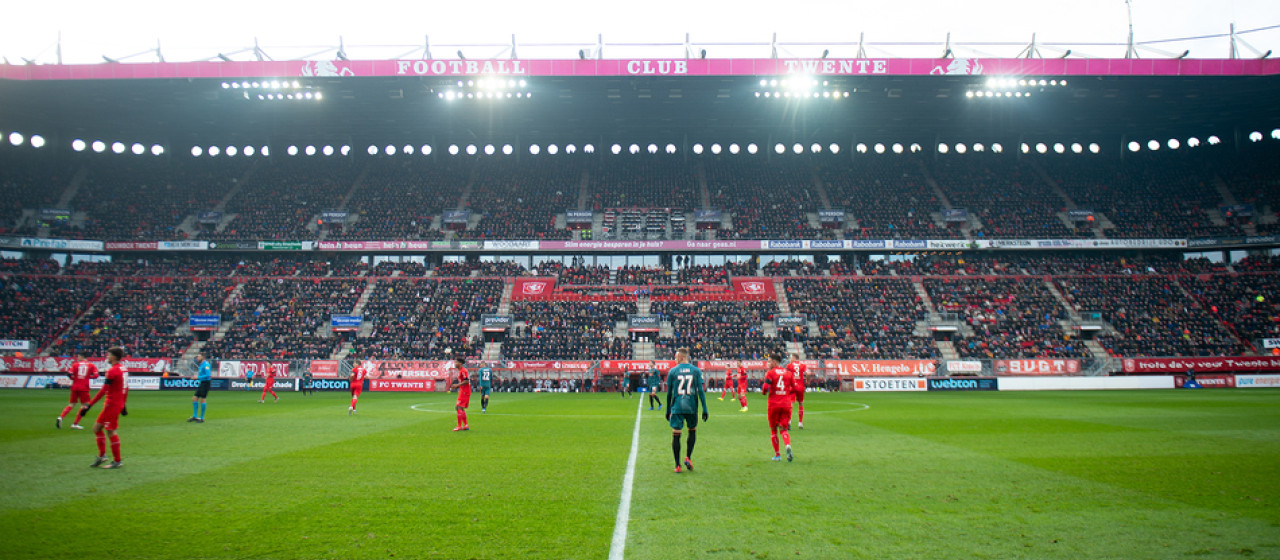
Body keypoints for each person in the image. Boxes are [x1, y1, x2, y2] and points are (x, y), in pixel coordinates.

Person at [665, 348, 708, 473]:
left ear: (682, 357)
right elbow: (700, 391)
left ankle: (677, 465)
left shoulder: (673, 371)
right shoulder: (695, 371)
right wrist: (704, 408)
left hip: (677, 406)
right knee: (692, 431)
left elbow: (669, 393)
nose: (675, 359)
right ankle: (688, 457)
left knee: (676, 434)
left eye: (676, 356)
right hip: (691, 406)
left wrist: (668, 410)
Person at [85, 347, 129, 469]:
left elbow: (104, 390)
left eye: (109, 355)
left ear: (114, 357)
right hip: (116, 403)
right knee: (97, 428)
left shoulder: (112, 371)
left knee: (111, 431)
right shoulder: (123, 369)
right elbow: (126, 388)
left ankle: (117, 461)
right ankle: (102, 455)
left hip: (112, 404)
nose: (107, 357)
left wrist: (89, 405)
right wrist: (124, 404)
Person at [762, 352, 795, 462]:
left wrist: (766, 389)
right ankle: (787, 445)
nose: (767, 364)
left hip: (774, 404)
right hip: (786, 404)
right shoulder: (788, 373)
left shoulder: (770, 373)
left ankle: (777, 455)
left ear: (774, 362)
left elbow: (764, 389)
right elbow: (793, 387)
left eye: (769, 362)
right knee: (784, 429)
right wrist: (785, 392)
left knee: (773, 430)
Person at [58, 352, 98, 429]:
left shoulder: (75, 365)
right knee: (84, 406)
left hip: (75, 386)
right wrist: (88, 377)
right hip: (84, 387)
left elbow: (69, 374)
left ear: (81, 356)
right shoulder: (91, 365)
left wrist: (74, 378)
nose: (77, 358)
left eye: (78, 356)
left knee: (71, 404)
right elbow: (96, 375)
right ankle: (75, 424)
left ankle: (61, 417)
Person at [187, 354, 212, 423]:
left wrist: (197, 377)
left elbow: (208, 375)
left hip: (206, 383)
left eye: (198, 356)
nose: (197, 358)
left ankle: (201, 418)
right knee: (195, 398)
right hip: (202, 383)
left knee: (202, 400)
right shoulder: (201, 365)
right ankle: (195, 416)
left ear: (203, 357)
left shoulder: (206, 364)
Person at [450, 357, 471, 431]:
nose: (455, 363)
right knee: (461, 408)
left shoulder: (463, 370)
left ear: (460, 363)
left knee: (458, 407)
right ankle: (465, 425)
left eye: (456, 362)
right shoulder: (460, 371)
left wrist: (457, 385)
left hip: (465, 391)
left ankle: (459, 426)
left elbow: (466, 381)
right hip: (463, 390)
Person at [788, 353, 808, 429]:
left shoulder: (789, 365)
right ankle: (800, 423)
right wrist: (808, 381)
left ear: (794, 358)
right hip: (800, 387)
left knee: (791, 404)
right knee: (800, 404)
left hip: (792, 387)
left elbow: (786, 374)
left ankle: (789, 422)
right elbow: (808, 373)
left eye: (790, 357)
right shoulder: (803, 365)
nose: (790, 359)